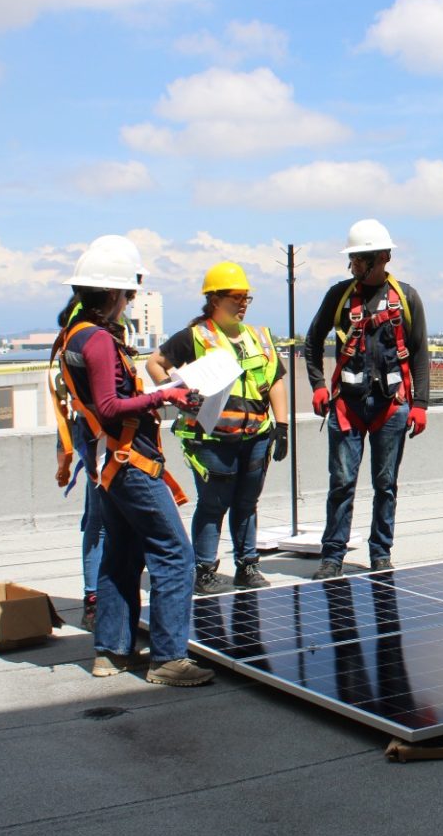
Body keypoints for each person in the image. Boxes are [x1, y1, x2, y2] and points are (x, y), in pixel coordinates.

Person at [49, 237, 213, 687]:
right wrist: (165, 395)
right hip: (128, 462)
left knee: (122, 553)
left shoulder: (74, 335)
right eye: (129, 294)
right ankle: (168, 659)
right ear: (116, 295)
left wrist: (158, 398)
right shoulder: (98, 340)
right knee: (175, 554)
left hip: (108, 464)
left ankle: (111, 652)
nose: (130, 302)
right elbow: (107, 406)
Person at [147, 261, 290, 595]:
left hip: (255, 435)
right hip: (211, 438)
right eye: (234, 297)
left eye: (246, 298)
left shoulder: (259, 338)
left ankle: (247, 564)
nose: (242, 304)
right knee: (214, 503)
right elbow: (155, 364)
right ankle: (204, 569)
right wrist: (176, 392)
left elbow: (276, 382)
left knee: (247, 502)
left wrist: (281, 426)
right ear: (214, 299)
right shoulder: (195, 337)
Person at [304, 219, 430, 579]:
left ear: (384, 258)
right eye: (354, 260)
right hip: (348, 406)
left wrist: (420, 404)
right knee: (341, 483)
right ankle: (333, 557)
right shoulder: (339, 296)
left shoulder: (406, 297)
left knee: (385, 484)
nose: (356, 266)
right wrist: (317, 384)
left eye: (363, 259)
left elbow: (420, 353)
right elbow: (312, 343)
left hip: (391, 406)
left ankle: (380, 553)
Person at [53, 234, 142, 633]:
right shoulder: (90, 330)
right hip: (97, 434)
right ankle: (96, 597)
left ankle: (104, 597)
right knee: (101, 518)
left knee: (108, 518)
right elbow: (98, 399)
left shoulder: (92, 325)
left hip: (97, 431)